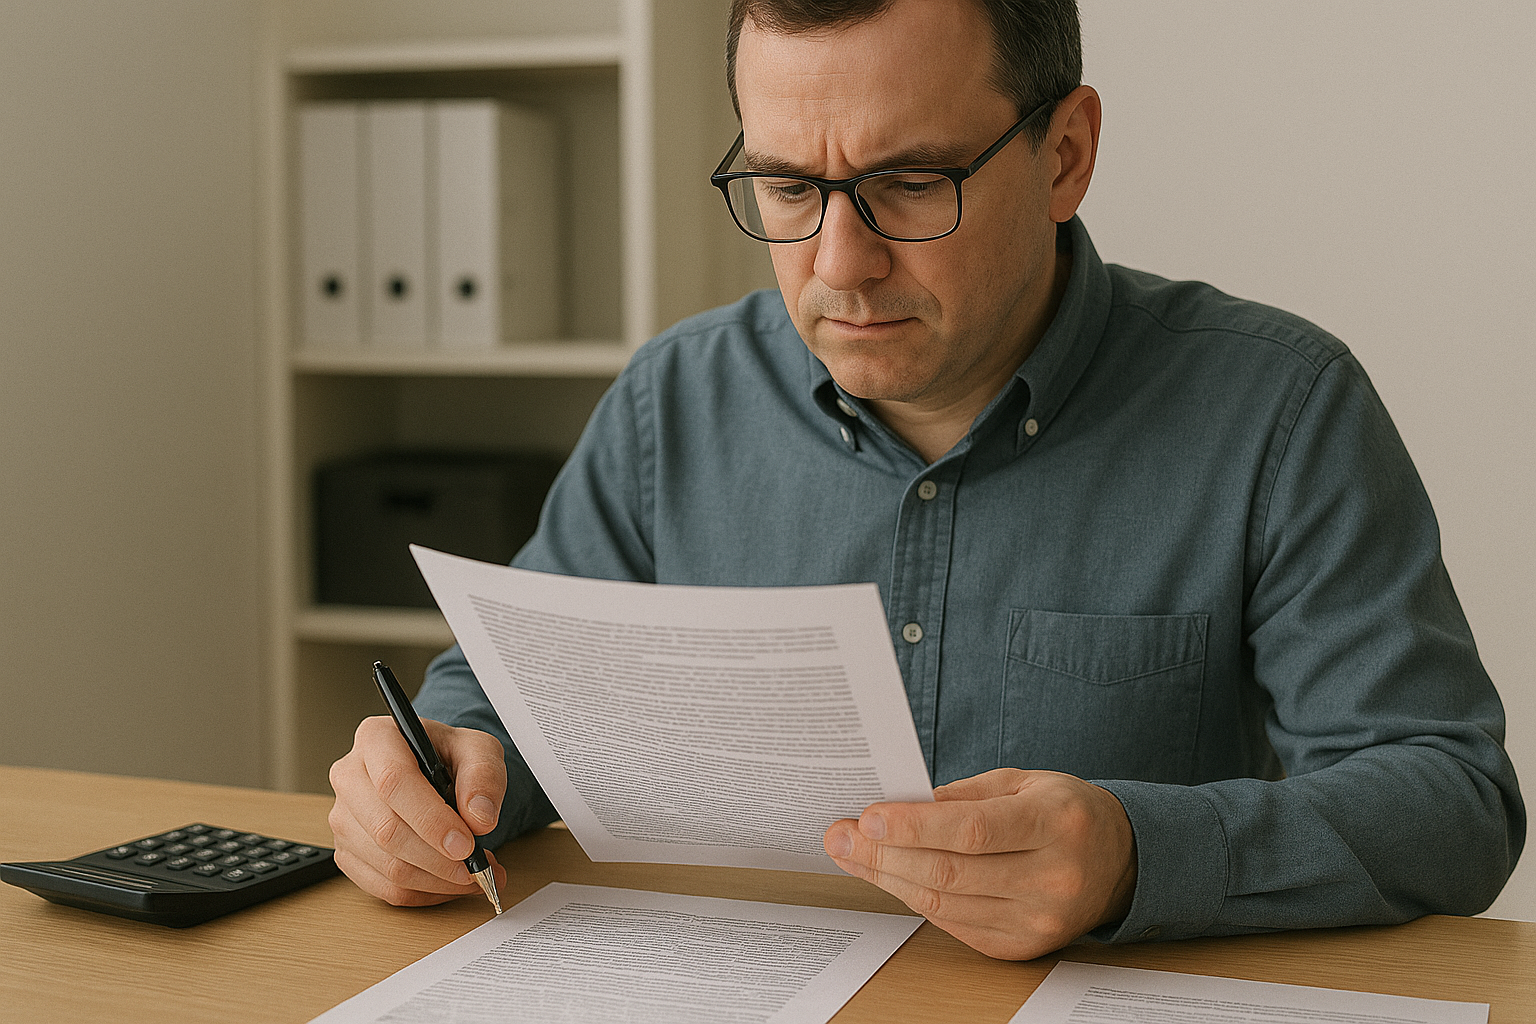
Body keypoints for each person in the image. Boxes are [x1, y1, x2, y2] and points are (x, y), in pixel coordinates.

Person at [327, 0, 1524, 960]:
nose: (839, 265)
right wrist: (430, 779)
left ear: (1065, 156)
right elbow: (503, 708)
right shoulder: (673, 401)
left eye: (909, 183)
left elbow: (1451, 801)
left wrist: (1130, 852)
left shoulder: (1280, 410)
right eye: (789, 188)